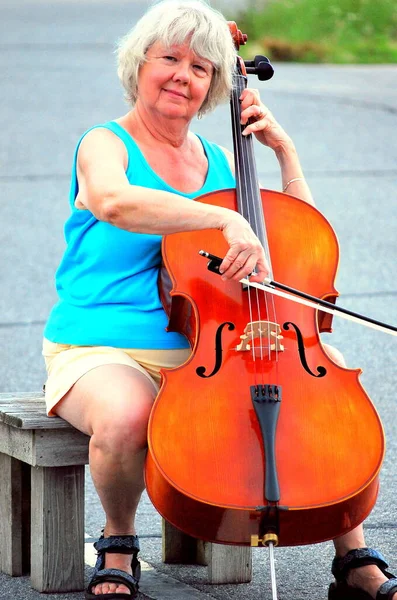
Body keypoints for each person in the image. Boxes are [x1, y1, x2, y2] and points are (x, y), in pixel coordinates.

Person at [42, 1, 397, 599]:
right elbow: (113, 202)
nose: (183, 74)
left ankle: (353, 555)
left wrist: (286, 155)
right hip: (103, 344)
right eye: (170, 58)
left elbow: (293, 244)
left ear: (215, 85)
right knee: (126, 417)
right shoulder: (104, 144)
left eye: (202, 67)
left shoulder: (220, 162)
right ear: (139, 65)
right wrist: (218, 218)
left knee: (306, 404)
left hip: (202, 346)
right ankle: (120, 542)